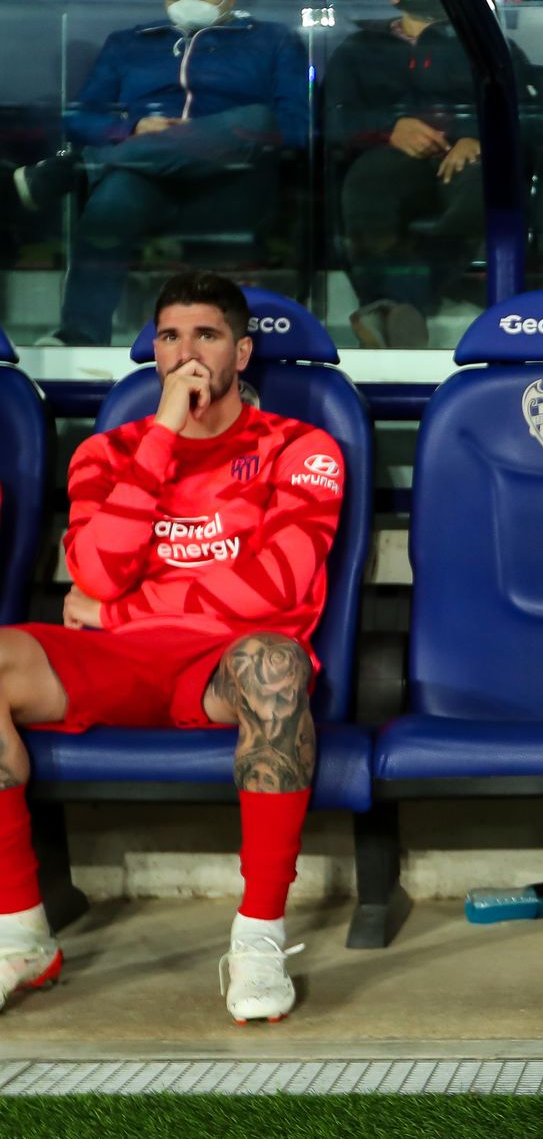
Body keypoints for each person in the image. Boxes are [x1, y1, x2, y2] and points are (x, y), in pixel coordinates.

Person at [0, 271, 344, 1023]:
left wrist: (127, 608)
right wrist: (160, 435)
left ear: (242, 352)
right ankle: (19, 933)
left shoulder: (301, 446)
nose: (186, 352)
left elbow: (276, 586)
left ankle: (257, 938)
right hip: (118, 665)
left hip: (219, 667)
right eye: (169, 336)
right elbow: (95, 570)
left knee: (275, 662)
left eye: (207, 335)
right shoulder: (109, 451)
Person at [1, 0, 308, 347]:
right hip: (148, 188)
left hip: (232, 188)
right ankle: (79, 333)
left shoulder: (273, 40)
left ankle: (76, 167)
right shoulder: (130, 43)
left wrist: (203, 135)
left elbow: (294, 128)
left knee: (256, 118)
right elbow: (78, 118)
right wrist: (132, 128)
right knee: (115, 195)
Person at [324, 0, 540, 348]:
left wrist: (477, 134)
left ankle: (409, 297)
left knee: (483, 185)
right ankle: (389, 303)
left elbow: (527, 114)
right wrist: (390, 128)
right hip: (389, 160)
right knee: (365, 184)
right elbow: (334, 118)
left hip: (467, 160)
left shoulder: (489, 47)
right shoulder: (358, 50)